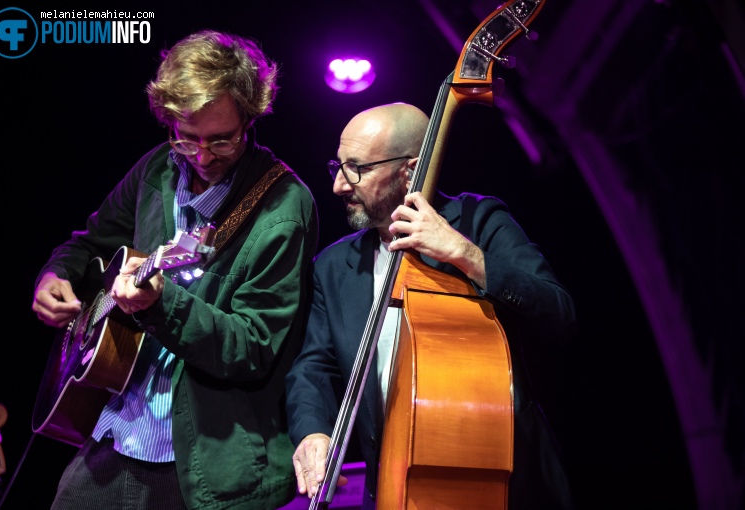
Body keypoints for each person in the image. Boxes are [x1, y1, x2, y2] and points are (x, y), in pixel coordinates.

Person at [31, 30, 319, 510]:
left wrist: (161, 303)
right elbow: (91, 240)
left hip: (203, 459)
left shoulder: (285, 209)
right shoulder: (157, 168)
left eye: (221, 141)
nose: (202, 157)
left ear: (250, 118)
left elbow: (253, 346)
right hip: (116, 430)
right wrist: (55, 272)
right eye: (187, 139)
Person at [285, 102, 576, 509]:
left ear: (410, 168)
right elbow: (313, 366)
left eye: (358, 169)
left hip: (508, 481)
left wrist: (465, 254)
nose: (338, 185)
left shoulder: (479, 221)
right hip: (393, 488)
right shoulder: (333, 267)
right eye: (338, 165)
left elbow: (558, 313)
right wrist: (313, 430)